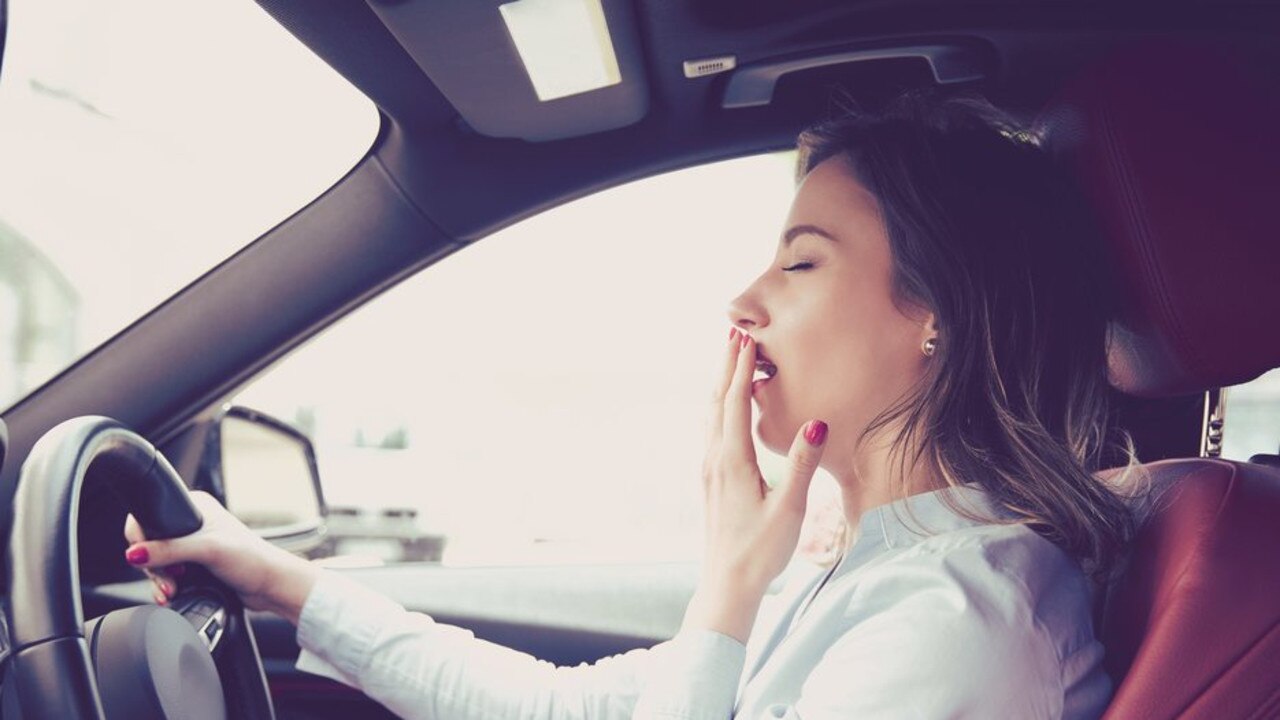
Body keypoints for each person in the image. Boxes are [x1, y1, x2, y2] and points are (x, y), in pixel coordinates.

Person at [123, 88, 1142, 719]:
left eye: (799, 262)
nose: (742, 303)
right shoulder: (876, 573)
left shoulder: (958, 626)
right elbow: (562, 707)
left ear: (939, 320)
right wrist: (281, 582)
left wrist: (728, 589)